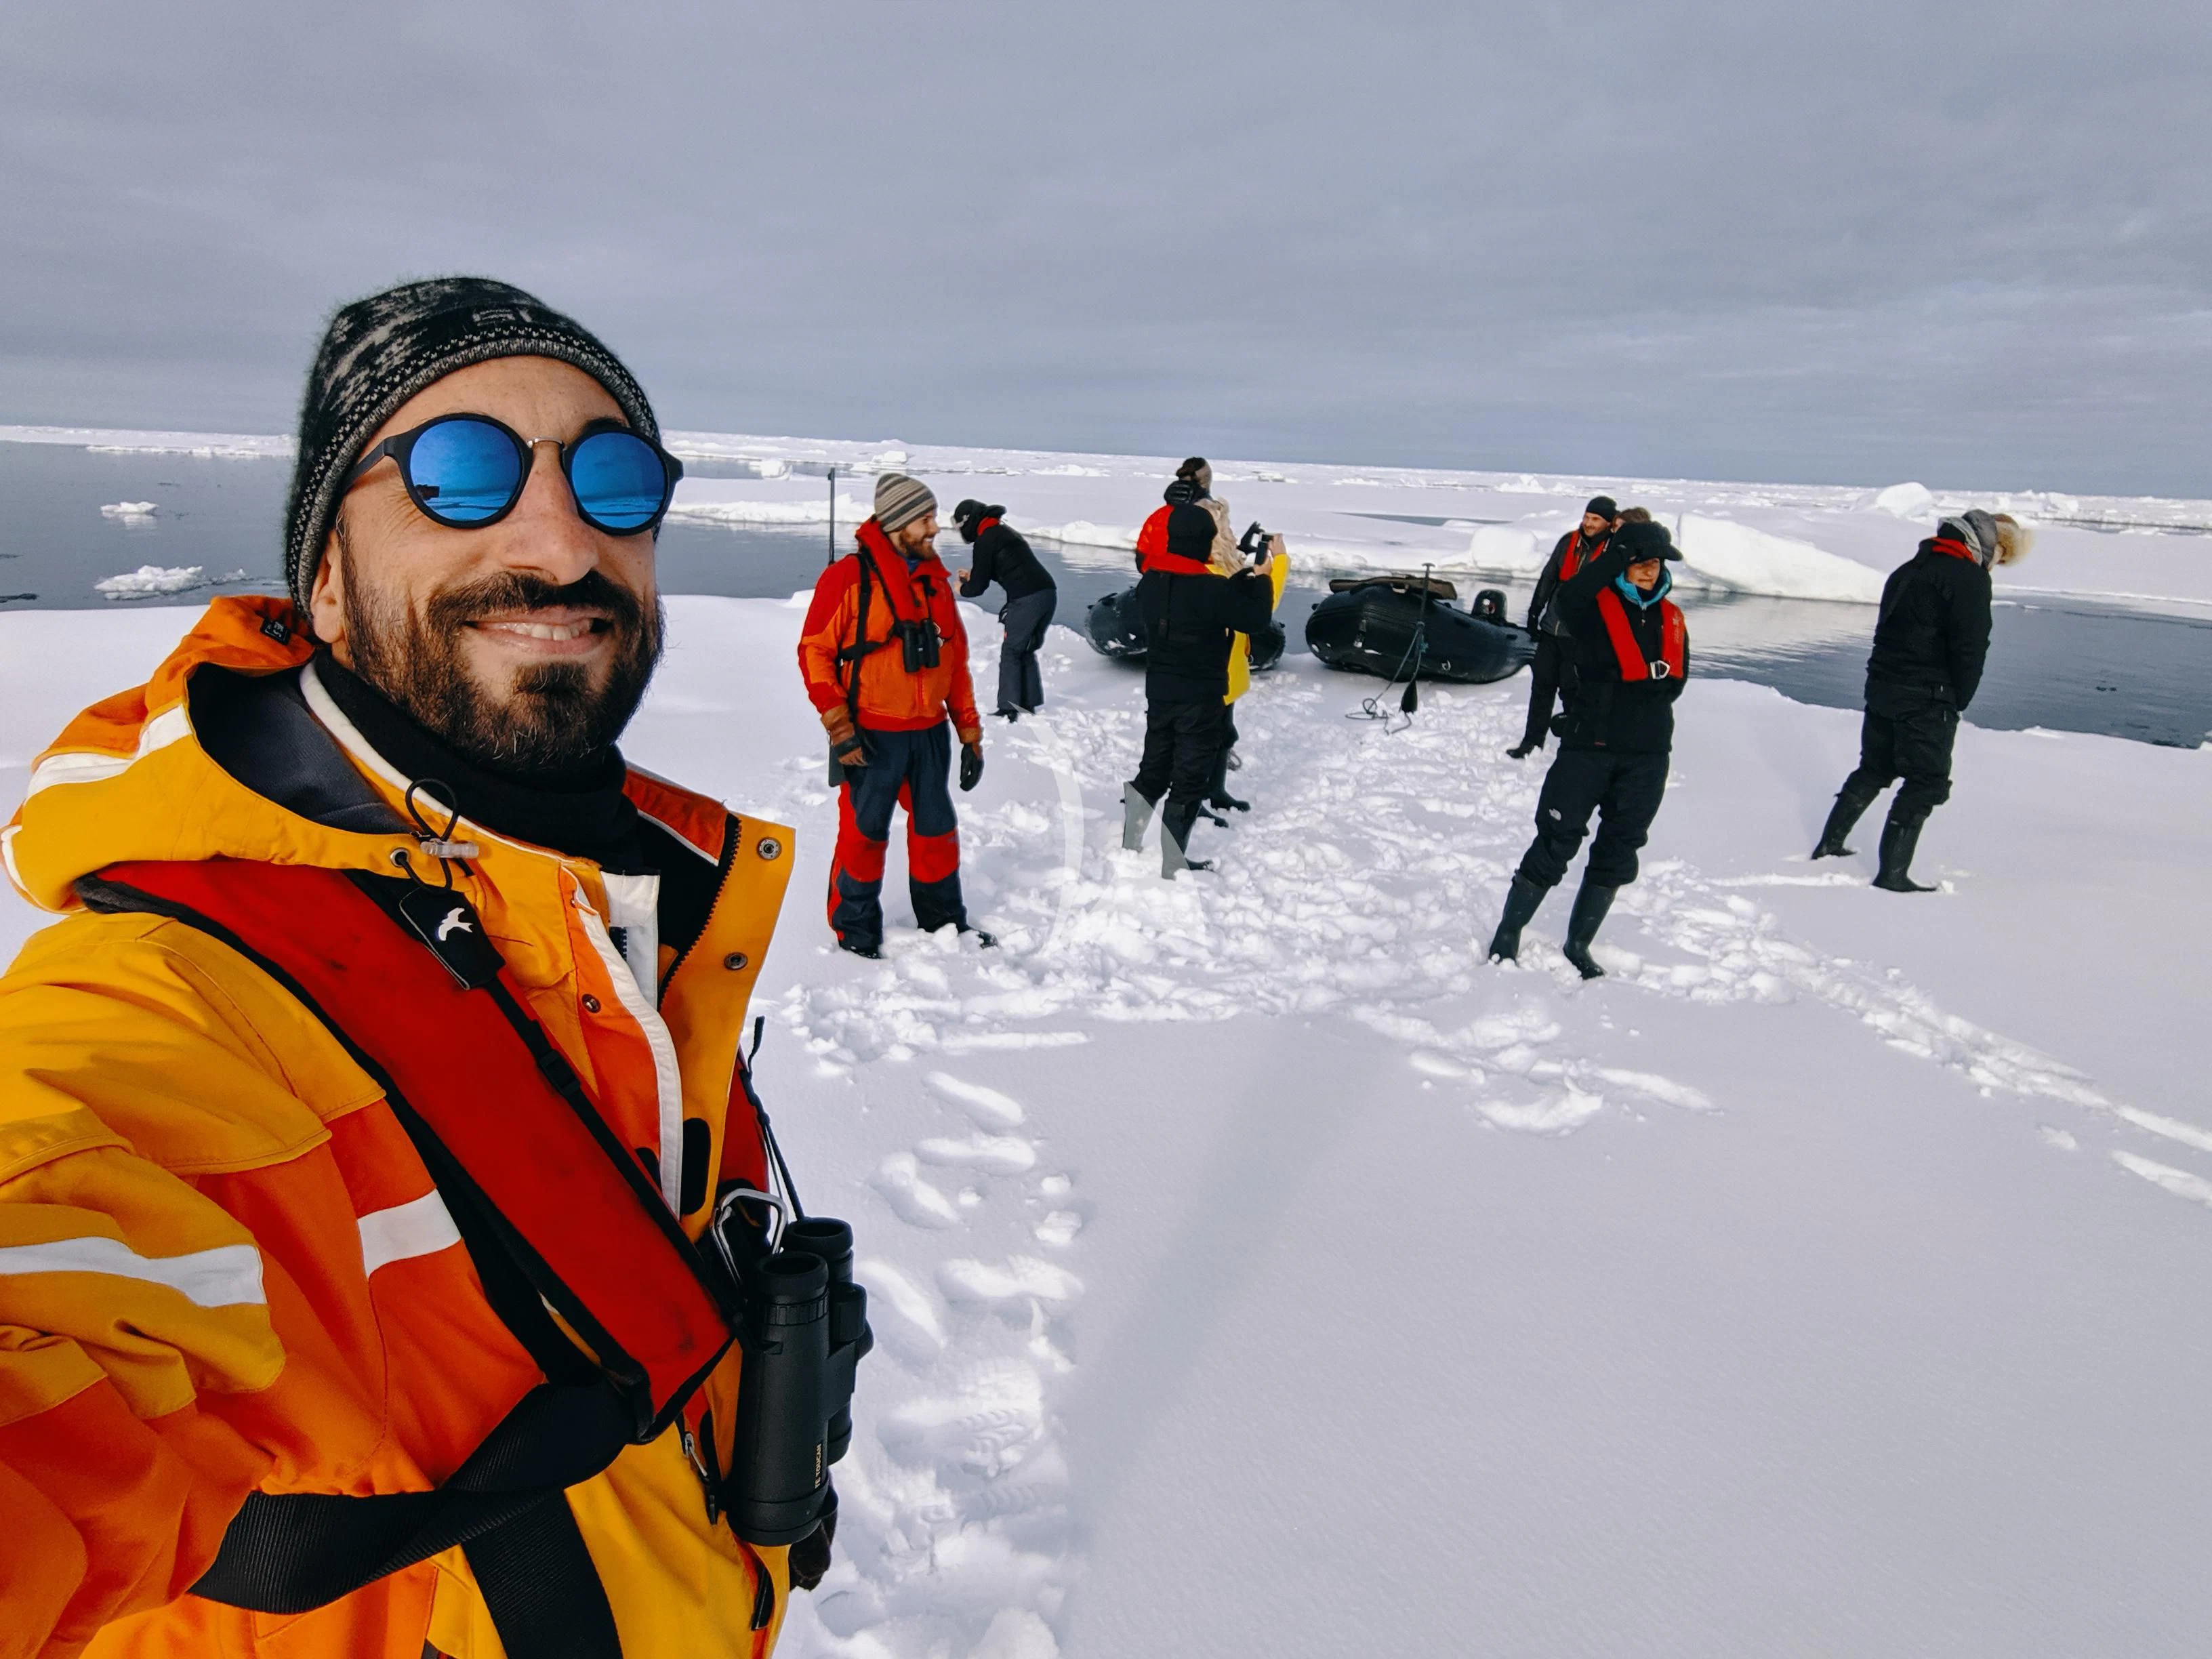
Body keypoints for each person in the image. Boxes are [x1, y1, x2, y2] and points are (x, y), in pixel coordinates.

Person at [0, 277, 832, 1658]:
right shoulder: (182, 997)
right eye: (459, 472)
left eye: (615, 480)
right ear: (326, 578)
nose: (559, 541)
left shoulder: (614, 912)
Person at [1487, 518, 1689, 978]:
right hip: (1588, 748)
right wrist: (1617, 554)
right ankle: (1509, 930)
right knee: (1558, 839)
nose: (1649, 570)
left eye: (1656, 563)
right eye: (1639, 561)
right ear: (1621, 563)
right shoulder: (1592, 609)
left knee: (1620, 848)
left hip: (1648, 756)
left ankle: (1578, 944)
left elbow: (1676, 684)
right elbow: (1568, 597)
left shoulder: (1673, 619)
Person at [799, 473, 989, 956]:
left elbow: (954, 662)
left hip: (929, 734)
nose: (935, 528)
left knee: (936, 831)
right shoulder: (848, 578)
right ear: (897, 523)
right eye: (925, 519)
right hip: (871, 733)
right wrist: (839, 726)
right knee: (864, 834)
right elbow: (815, 652)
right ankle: (856, 931)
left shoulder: (936, 583)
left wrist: (969, 732)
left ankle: (944, 921)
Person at [1811, 508, 2028, 891]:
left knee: (1875, 768)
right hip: (1928, 695)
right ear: (1986, 545)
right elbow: (1971, 647)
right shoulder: (1969, 578)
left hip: (1882, 687)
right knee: (1927, 782)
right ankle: (1892, 875)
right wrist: (1958, 699)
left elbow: (1885, 631)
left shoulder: (1909, 569)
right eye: (1999, 556)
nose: (1995, 565)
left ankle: (1829, 845)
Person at [1121, 485, 1280, 876]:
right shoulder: (1213, 588)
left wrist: (1242, 581)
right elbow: (1255, 620)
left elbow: (1191, 598)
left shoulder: (1150, 581)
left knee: (1154, 768)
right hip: (1201, 695)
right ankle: (1173, 861)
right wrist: (1262, 579)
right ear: (1206, 542)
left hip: (1160, 690)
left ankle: (1130, 844)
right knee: (1190, 777)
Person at [1509, 495, 1622, 758]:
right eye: (1587, 517)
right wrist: (1535, 611)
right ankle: (1532, 741)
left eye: (1595, 519)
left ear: (1608, 523)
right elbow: (1549, 576)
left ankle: (1577, 743)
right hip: (1552, 629)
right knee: (1542, 686)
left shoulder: (1613, 552)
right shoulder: (1568, 542)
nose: (1589, 523)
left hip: (1581, 636)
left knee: (1573, 690)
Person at [951, 497, 1057, 720]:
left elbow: (978, 587)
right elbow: (1004, 566)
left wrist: (962, 589)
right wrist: (973, 576)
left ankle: (1010, 708)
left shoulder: (985, 540)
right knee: (1024, 648)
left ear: (968, 521)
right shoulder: (1002, 532)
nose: (961, 531)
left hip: (1027, 599)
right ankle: (1027, 704)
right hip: (1047, 593)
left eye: (960, 526)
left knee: (1012, 651)